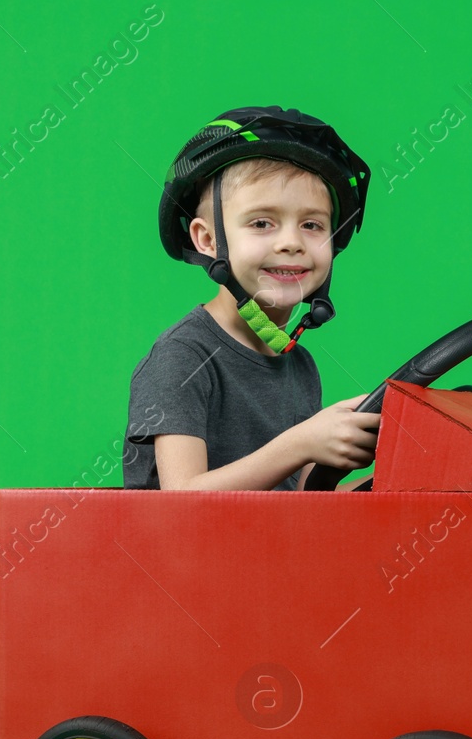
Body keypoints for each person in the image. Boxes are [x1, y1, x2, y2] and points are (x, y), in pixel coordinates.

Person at [123, 106, 380, 492]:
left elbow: (302, 497)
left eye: (312, 225)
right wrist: (301, 443)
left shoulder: (299, 364)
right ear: (208, 240)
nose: (291, 242)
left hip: (268, 550)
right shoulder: (184, 357)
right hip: (183, 553)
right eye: (262, 223)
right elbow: (180, 501)